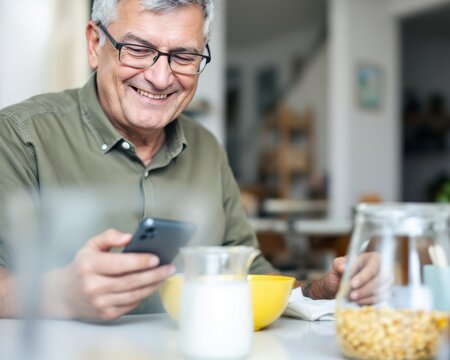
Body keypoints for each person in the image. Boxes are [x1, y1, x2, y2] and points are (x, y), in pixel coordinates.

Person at [0, 0, 378, 320]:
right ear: (95, 43)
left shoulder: (207, 149)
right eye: (138, 49)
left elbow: (250, 276)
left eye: (184, 55)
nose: (161, 77)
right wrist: (59, 294)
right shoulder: (18, 136)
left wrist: (321, 289)